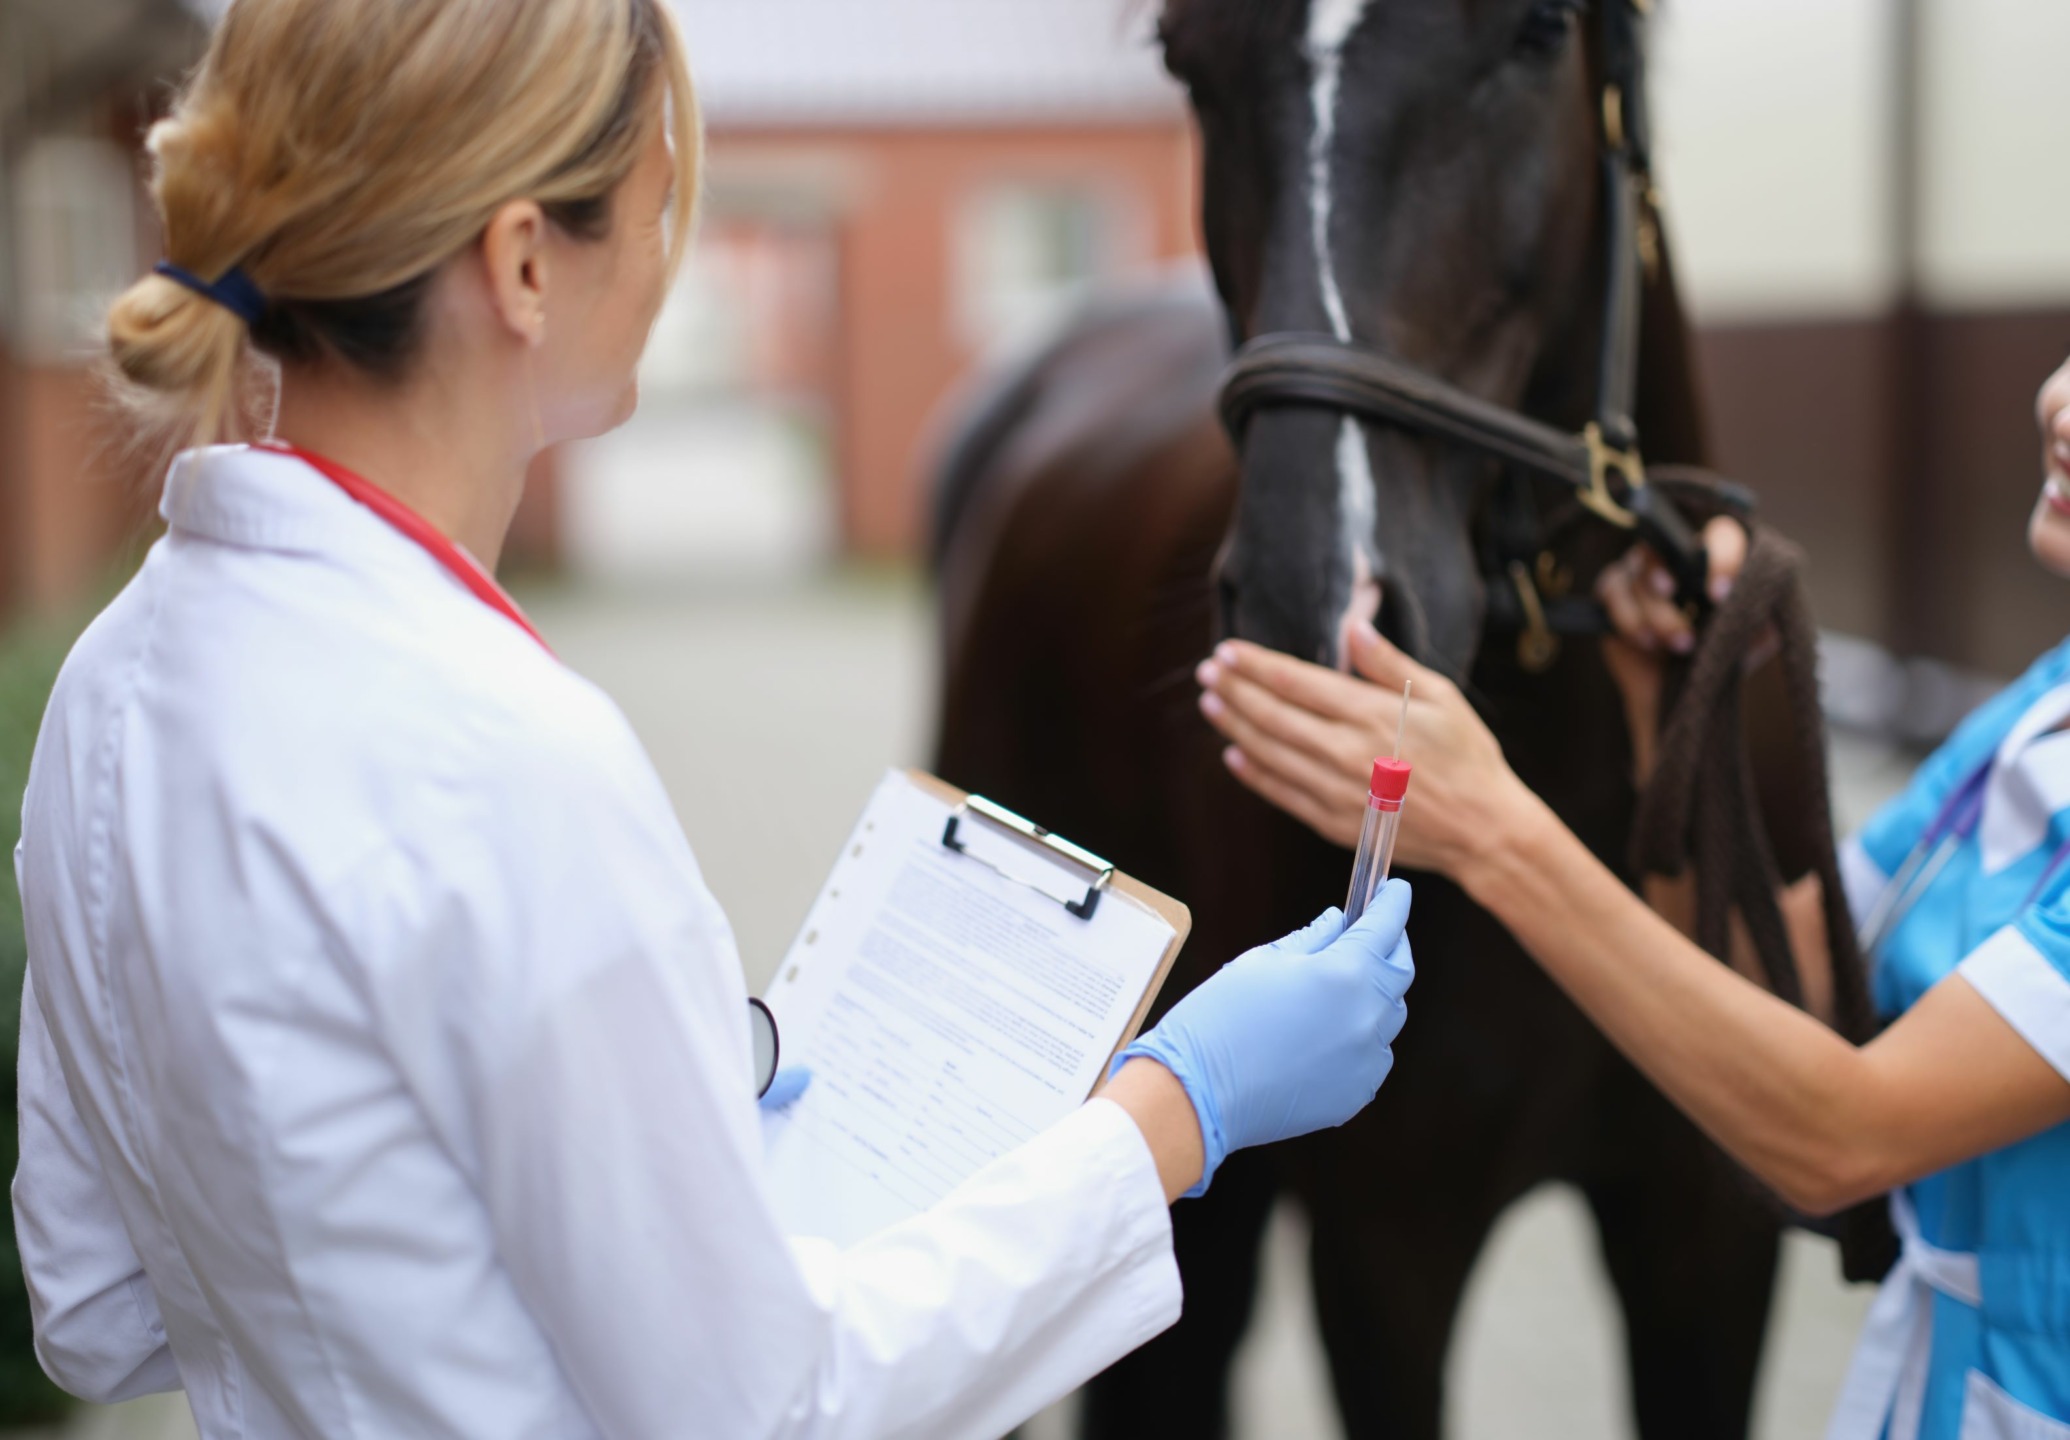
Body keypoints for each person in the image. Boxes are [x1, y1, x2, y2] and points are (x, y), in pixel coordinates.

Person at [8, 1, 1419, 1435]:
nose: (670, 261)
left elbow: (95, 1304)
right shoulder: (510, 762)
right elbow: (773, 1408)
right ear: (521, 264)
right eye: (657, 204)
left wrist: (638, 1125)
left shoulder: (108, 686)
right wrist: (1180, 1108)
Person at [1196, 360, 2070, 1439]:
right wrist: (1659, 708)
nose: (2063, 404)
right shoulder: (2041, 710)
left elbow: (1846, 1135)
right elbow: (1778, 981)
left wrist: (1491, 830)